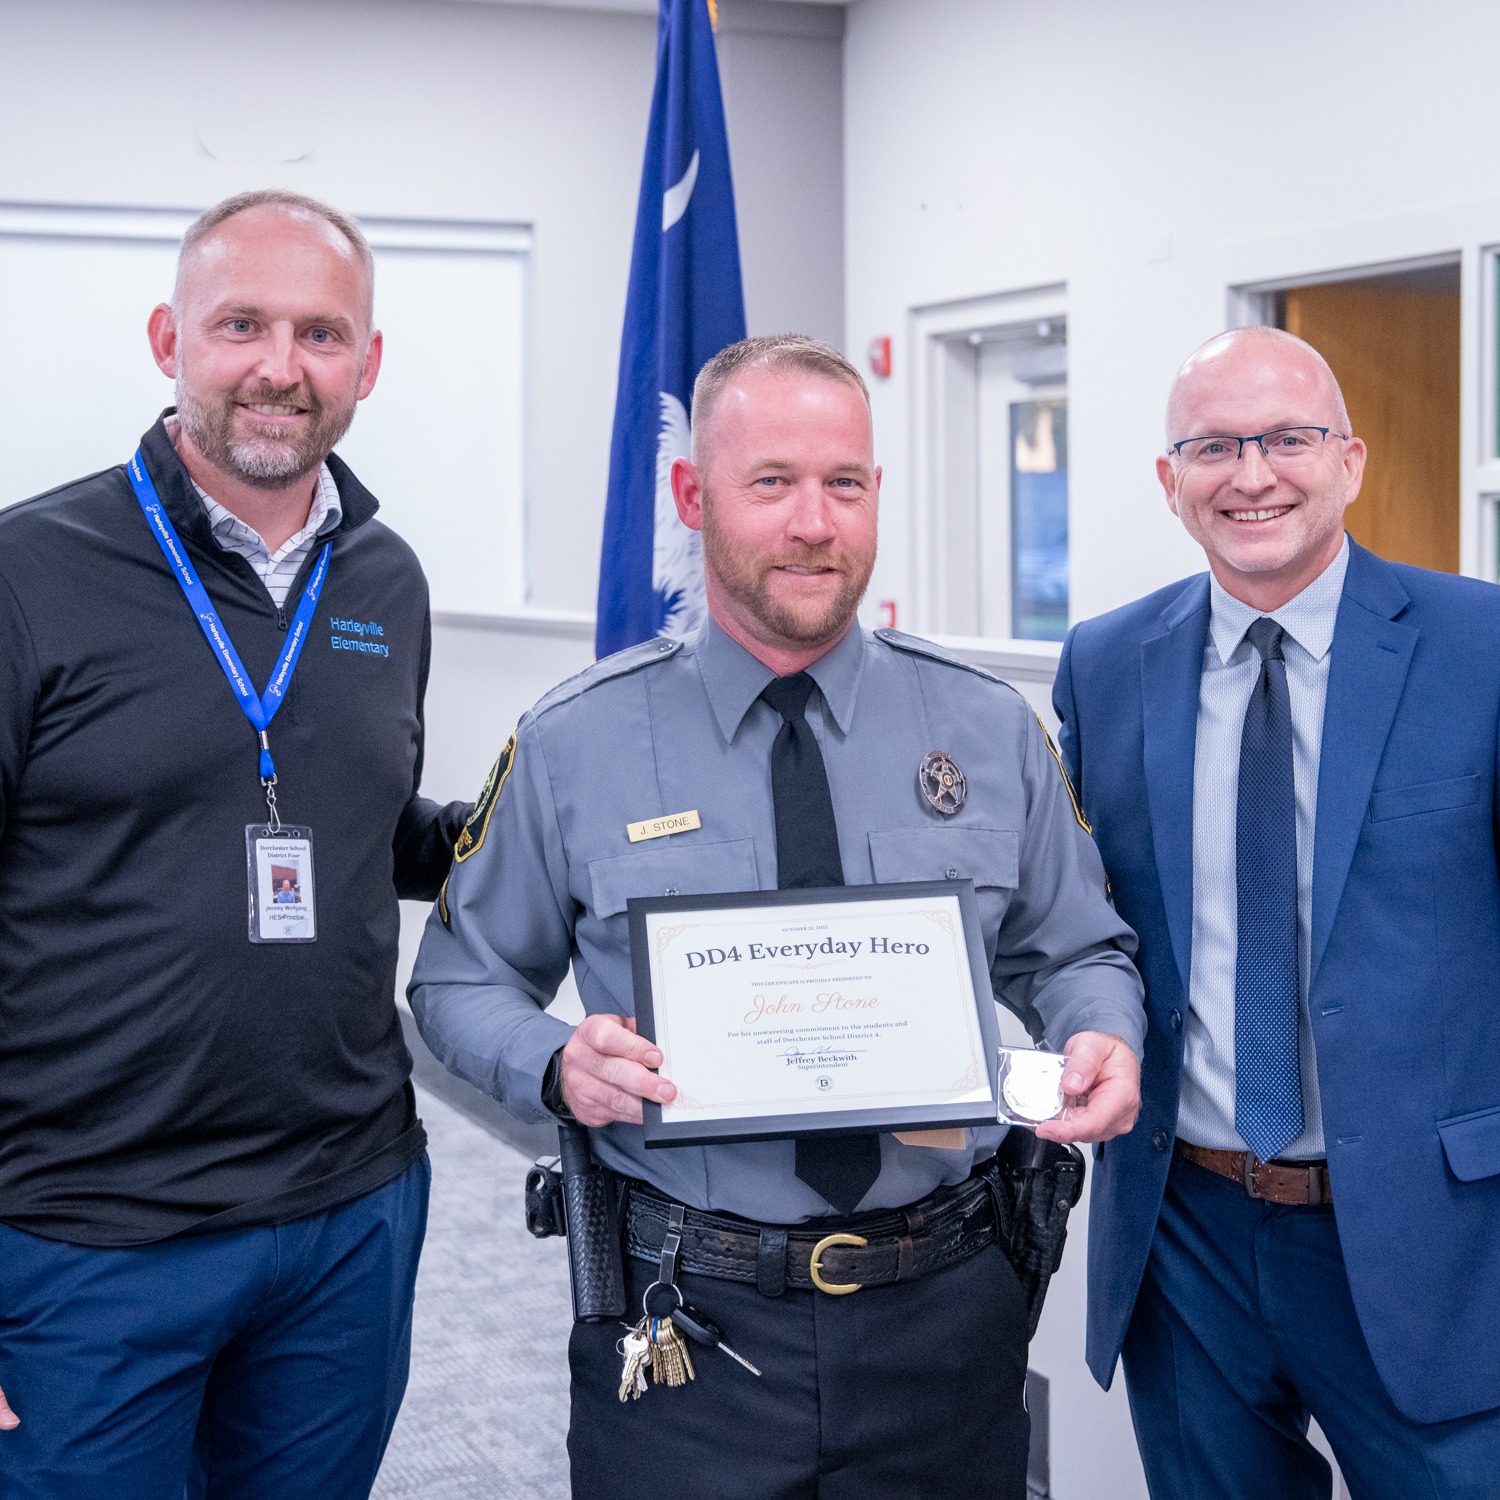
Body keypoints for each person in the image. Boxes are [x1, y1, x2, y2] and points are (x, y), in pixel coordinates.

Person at [411, 333, 1146, 1499]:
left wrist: (1104, 1030)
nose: (816, 521)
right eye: (773, 483)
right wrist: (559, 1064)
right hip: (686, 1327)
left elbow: (1079, 948)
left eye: (844, 482)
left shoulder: (986, 729)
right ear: (693, 498)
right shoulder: (576, 741)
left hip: (948, 1318)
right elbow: (455, 983)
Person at [0, 189, 467, 1499]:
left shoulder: (385, 580)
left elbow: (367, 832)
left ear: (368, 363)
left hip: (345, 1215)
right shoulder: (29, 574)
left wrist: (544, 824)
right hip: (85, 1238)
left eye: (322, 333)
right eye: (240, 324)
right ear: (168, 339)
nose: (280, 366)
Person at [1054, 326, 1500, 1499]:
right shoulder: (1104, 665)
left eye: (1288, 439)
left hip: (1429, 1245)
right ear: (1170, 481)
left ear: (1349, 459)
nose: (1251, 475)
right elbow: (1074, 922)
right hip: (1187, 1230)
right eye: (1213, 447)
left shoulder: (1480, 647)